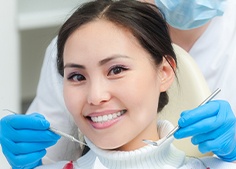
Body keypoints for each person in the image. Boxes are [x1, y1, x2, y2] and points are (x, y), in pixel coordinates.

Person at [0, 0, 236, 168]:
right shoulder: (81, 37)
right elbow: (49, 151)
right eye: (77, 76)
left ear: (165, 71)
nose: (96, 96)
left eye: (117, 70)